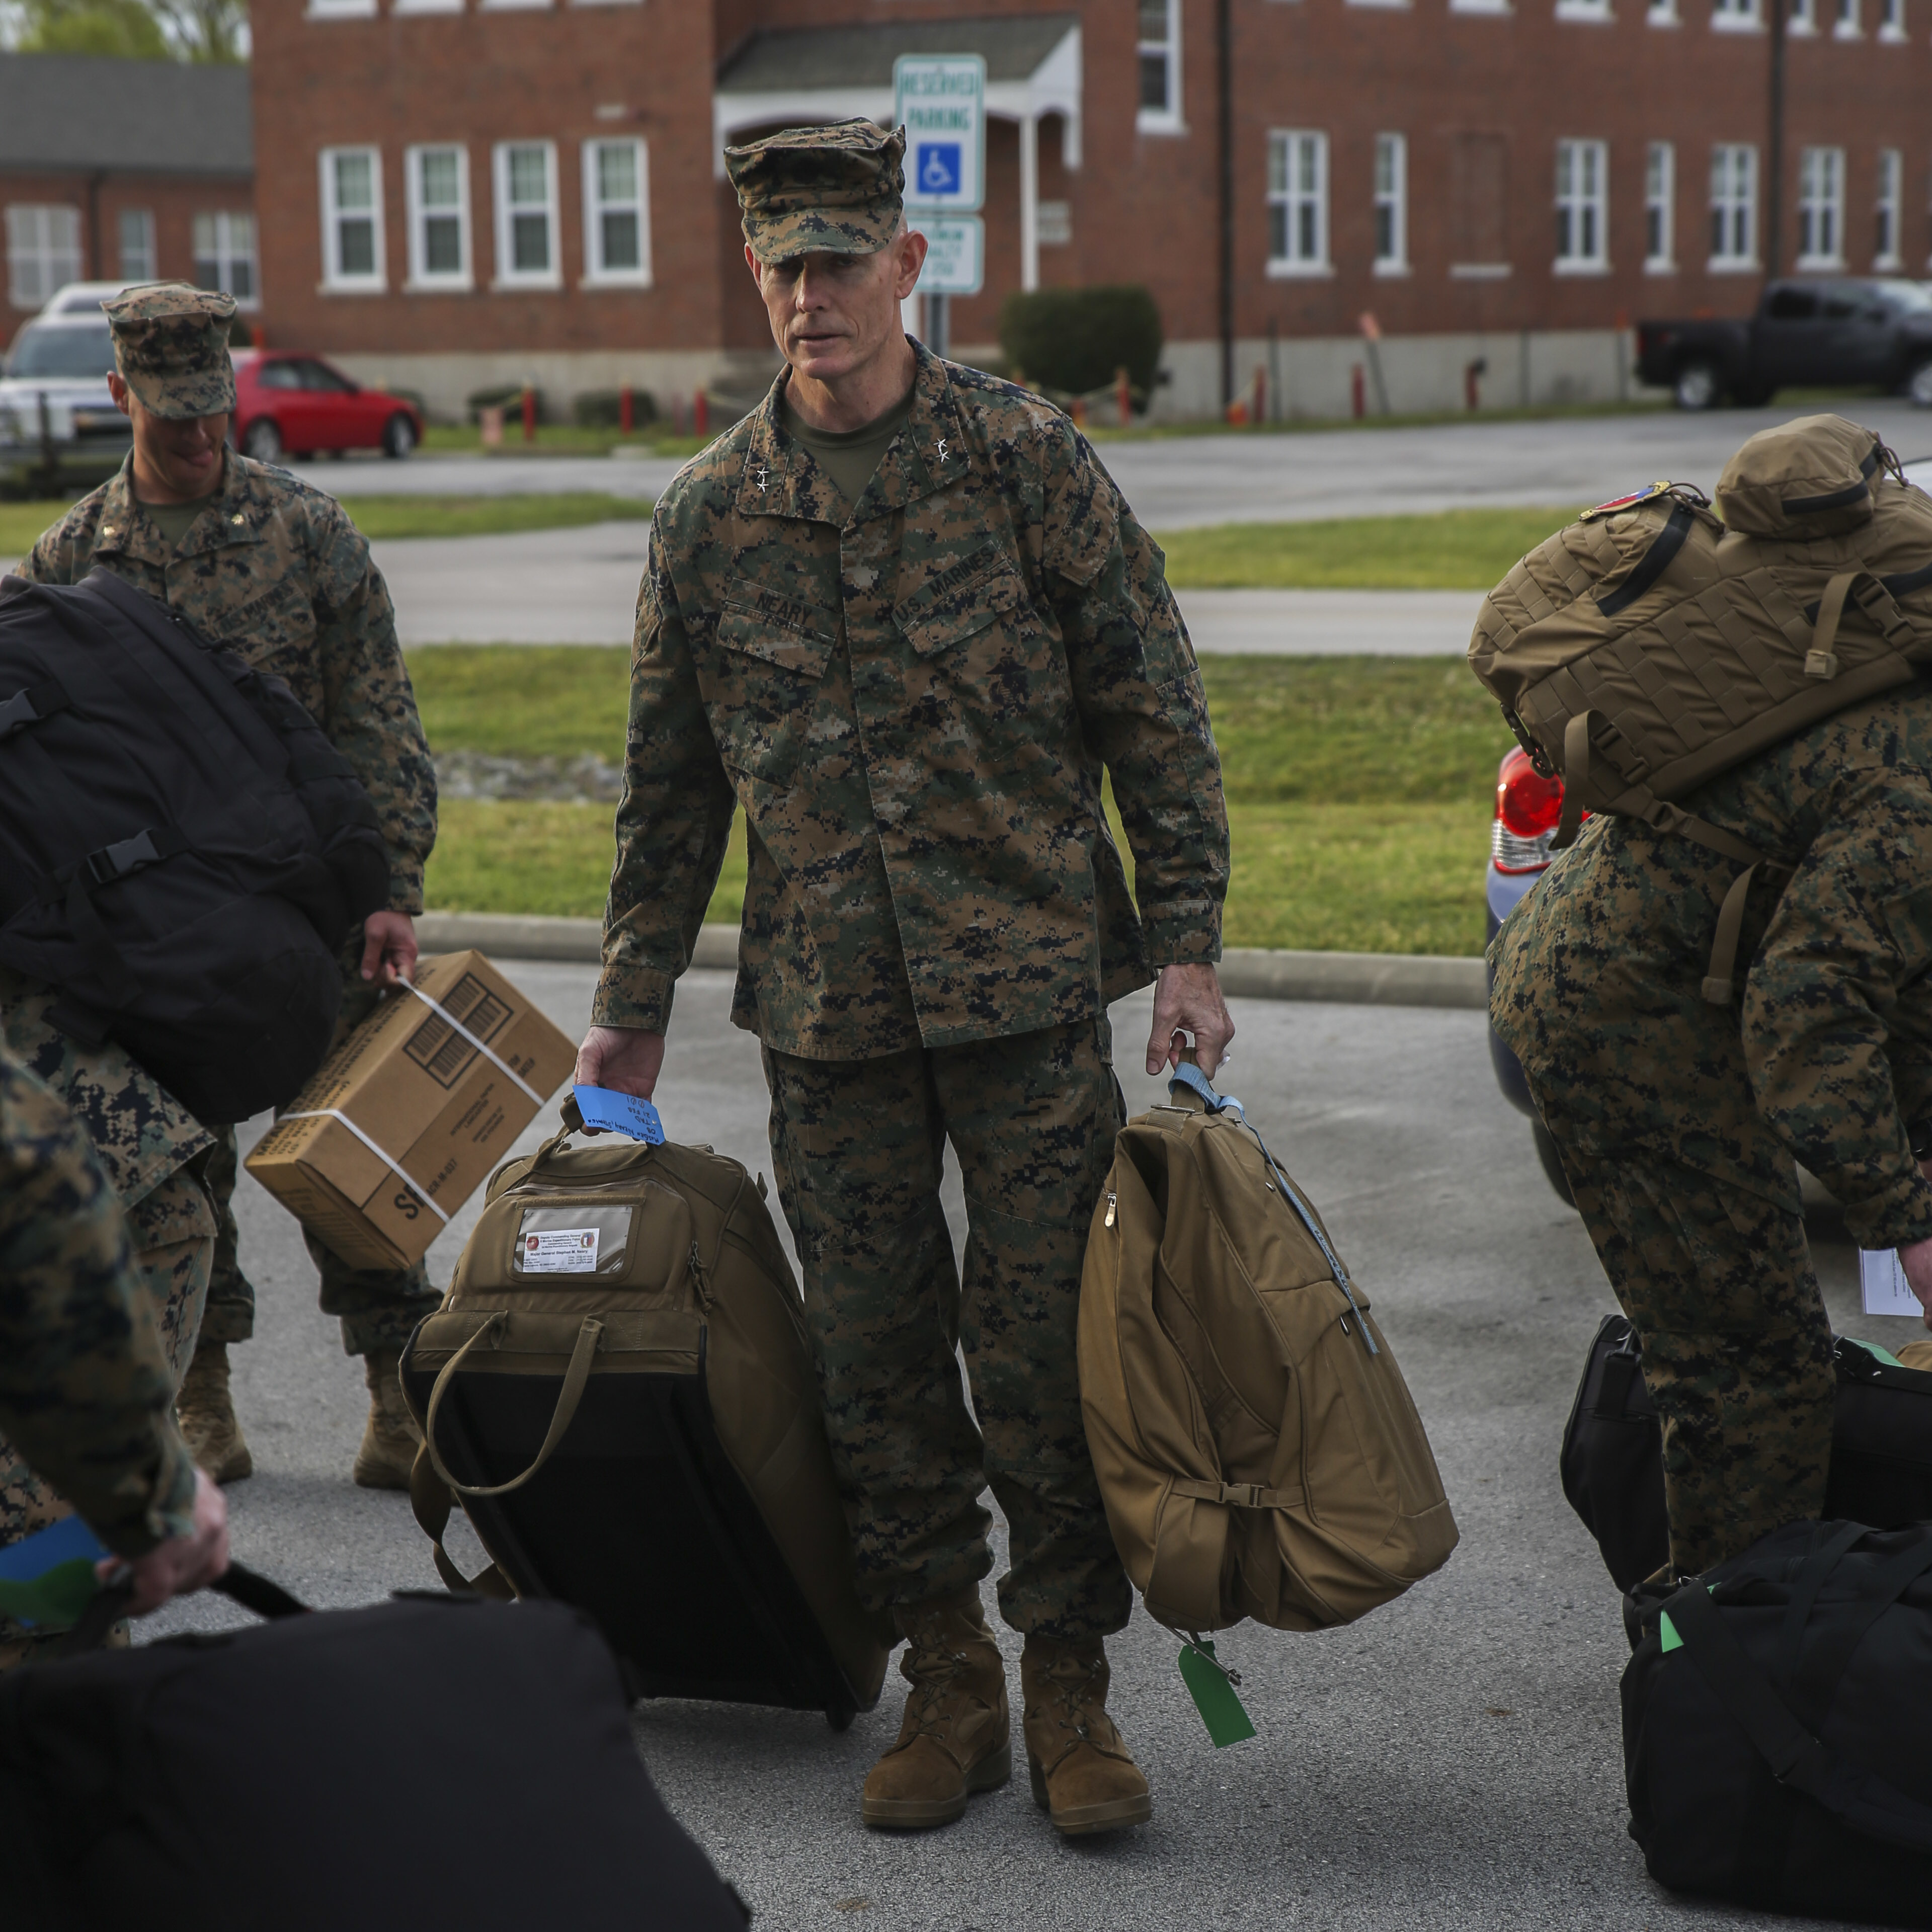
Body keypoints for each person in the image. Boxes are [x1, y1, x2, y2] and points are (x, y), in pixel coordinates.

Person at [575, 121, 1232, 1837]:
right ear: (756, 277)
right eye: (785, 266)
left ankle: (1070, 1679)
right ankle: (950, 1682)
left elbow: (1147, 703)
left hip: (1025, 1007)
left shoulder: (1021, 461)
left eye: (842, 262)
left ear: (908, 268)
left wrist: (1188, 945)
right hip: (829, 1020)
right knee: (873, 1368)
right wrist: (626, 1012)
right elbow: (669, 790)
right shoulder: (711, 518)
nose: (814, 298)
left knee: (1040, 1362)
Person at [14, 284, 440, 1492]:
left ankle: (398, 1391)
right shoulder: (70, 563)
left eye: (214, 413)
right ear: (118, 399)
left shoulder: (308, 535)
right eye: (171, 419)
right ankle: (202, 1400)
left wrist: (391, 886)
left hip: (309, 906)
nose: (200, 438)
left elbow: (379, 719)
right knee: (175, 1166)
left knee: (347, 1156)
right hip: (156, 928)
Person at [1490, 589, 1932, 1579]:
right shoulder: (1917, 785)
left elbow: (1897, 982)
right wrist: (1909, 1225)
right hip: (1621, 1010)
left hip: (1661, 976)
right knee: (1754, 1376)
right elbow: (1811, 1022)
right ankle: (1727, 1671)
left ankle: (1748, 1636)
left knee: (1749, 1360)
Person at [0, 1046, 229, 1668]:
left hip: (131, 1163)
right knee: (39, 1605)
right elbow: (31, 1194)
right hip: (114, 1168)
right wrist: (149, 1494)